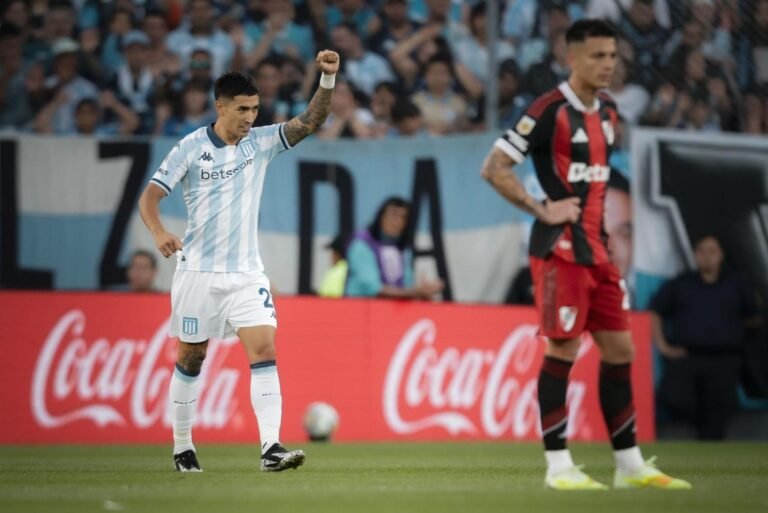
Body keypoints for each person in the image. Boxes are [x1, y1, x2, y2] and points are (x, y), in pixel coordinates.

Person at [480, 19, 690, 491]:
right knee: (563, 349)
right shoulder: (547, 110)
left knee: (621, 350)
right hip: (561, 252)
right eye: (597, 55)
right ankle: (558, 468)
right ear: (571, 57)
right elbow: (494, 167)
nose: (607, 64)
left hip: (600, 252)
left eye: (612, 56)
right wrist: (541, 208)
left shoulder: (610, 112)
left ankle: (629, 466)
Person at [137, 50, 341, 473]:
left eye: (255, 109)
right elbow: (150, 196)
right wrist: (158, 232)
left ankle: (271, 449)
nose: (250, 117)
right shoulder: (191, 147)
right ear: (221, 107)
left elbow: (311, 120)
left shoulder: (261, 143)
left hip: (247, 274)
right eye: (242, 109)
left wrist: (327, 79)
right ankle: (182, 448)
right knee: (192, 357)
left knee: (264, 348)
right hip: (198, 273)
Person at [650, 235, 759, 440]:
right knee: (673, 396)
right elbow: (655, 310)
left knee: (719, 411)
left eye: (712, 251)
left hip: (725, 358)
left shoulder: (737, 284)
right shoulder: (682, 283)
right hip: (688, 355)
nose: (707, 256)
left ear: (721, 255)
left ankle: (712, 449)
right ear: (695, 255)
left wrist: (729, 330)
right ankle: (696, 423)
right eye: (702, 251)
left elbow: (753, 317)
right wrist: (663, 346)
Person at [345, 197, 443, 299]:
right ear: (381, 217)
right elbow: (372, 287)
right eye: (393, 215)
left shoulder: (401, 249)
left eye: (404, 217)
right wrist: (416, 292)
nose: (398, 222)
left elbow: (407, 287)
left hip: (393, 308)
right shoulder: (361, 244)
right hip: (361, 306)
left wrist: (423, 293)